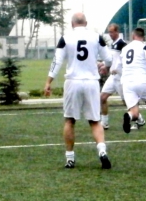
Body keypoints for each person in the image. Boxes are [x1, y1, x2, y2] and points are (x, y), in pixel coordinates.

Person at [44, 12, 112, 169]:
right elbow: (108, 59)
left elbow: (57, 61)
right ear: (86, 23)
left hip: (73, 82)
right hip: (91, 82)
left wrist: (48, 82)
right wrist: (103, 66)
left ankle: (70, 158)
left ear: (72, 23)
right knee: (95, 121)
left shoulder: (66, 38)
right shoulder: (96, 37)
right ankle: (102, 151)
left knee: (70, 120)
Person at [99, 23, 145, 130]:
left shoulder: (122, 44)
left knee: (128, 102)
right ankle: (104, 123)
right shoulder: (113, 44)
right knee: (102, 98)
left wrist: (117, 69)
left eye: (112, 32)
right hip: (113, 77)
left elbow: (126, 60)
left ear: (117, 32)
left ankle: (140, 119)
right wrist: (104, 65)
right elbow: (112, 59)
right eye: (109, 32)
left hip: (120, 78)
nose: (110, 34)